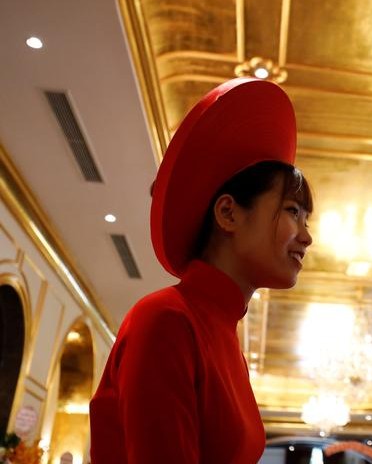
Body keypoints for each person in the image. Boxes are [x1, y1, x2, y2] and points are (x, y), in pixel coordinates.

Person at [89, 77, 313, 463]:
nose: (306, 238)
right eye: (293, 211)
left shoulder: (222, 335)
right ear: (228, 213)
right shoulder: (167, 319)